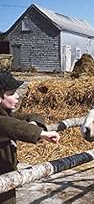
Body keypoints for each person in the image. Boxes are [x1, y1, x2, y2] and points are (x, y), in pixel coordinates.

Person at [0, 71, 60, 204]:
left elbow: (33, 116)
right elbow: (10, 126)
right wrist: (42, 133)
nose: (17, 96)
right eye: (11, 93)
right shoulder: (5, 119)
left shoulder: (7, 114)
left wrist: (34, 124)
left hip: (7, 175)